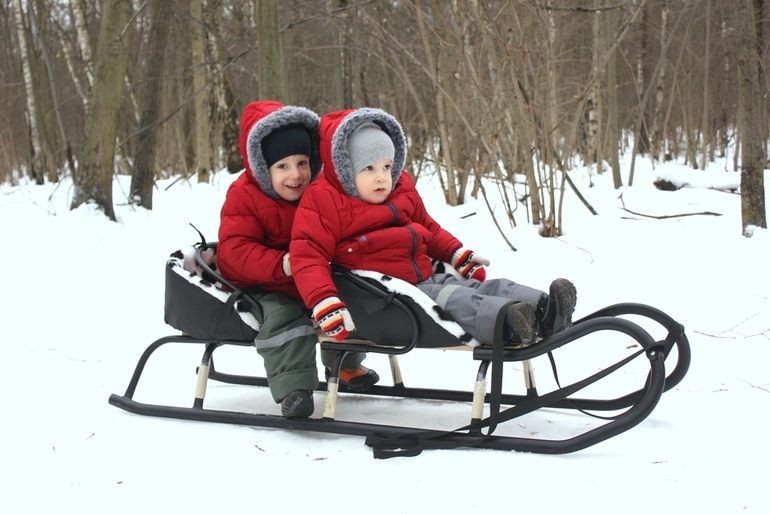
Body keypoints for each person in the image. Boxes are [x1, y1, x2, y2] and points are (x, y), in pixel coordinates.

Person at [290, 107, 577, 346]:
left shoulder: (400, 189)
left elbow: (427, 226)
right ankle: (508, 322)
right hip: (383, 295)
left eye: (387, 167)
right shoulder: (325, 200)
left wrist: (456, 253)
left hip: (423, 275)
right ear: (344, 168)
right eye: (369, 168)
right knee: (458, 300)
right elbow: (308, 255)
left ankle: (544, 310)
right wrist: (324, 301)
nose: (381, 178)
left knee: (482, 286)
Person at [217, 101, 379, 419]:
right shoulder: (245, 196)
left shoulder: (318, 192)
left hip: (309, 276)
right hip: (262, 283)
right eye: (283, 167)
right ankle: (293, 386)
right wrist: (283, 264)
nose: (296, 175)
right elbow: (233, 252)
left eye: (302, 163)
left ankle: (345, 366)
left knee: (350, 298)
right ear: (262, 168)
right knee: (286, 316)